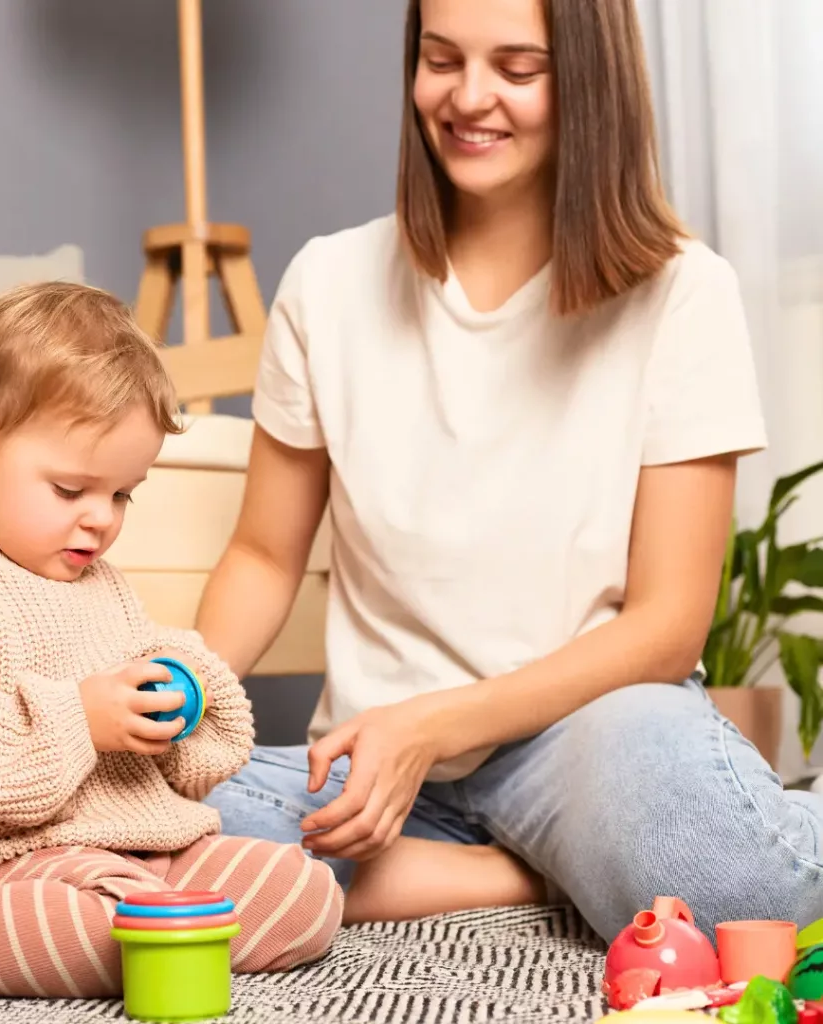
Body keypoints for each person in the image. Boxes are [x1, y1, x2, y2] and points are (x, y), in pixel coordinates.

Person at [195, 0, 823, 942]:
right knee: (148, 826)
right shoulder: (326, 284)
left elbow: (666, 625)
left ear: (588, 82)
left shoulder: (685, 293)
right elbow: (263, 554)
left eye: (517, 69)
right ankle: (523, 876)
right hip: (371, 761)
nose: (469, 97)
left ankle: (595, 847)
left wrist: (435, 725)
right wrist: (184, 693)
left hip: (590, 735)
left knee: (732, 897)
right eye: (440, 59)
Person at [0, 282, 342, 998]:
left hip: (134, 852)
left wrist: (182, 691)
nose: (101, 521)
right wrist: (78, 720)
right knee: (74, 925)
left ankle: (139, 921)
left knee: (302, 891)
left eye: (122, 494)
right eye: (70, 490)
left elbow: (193, 749)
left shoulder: (102, 585)